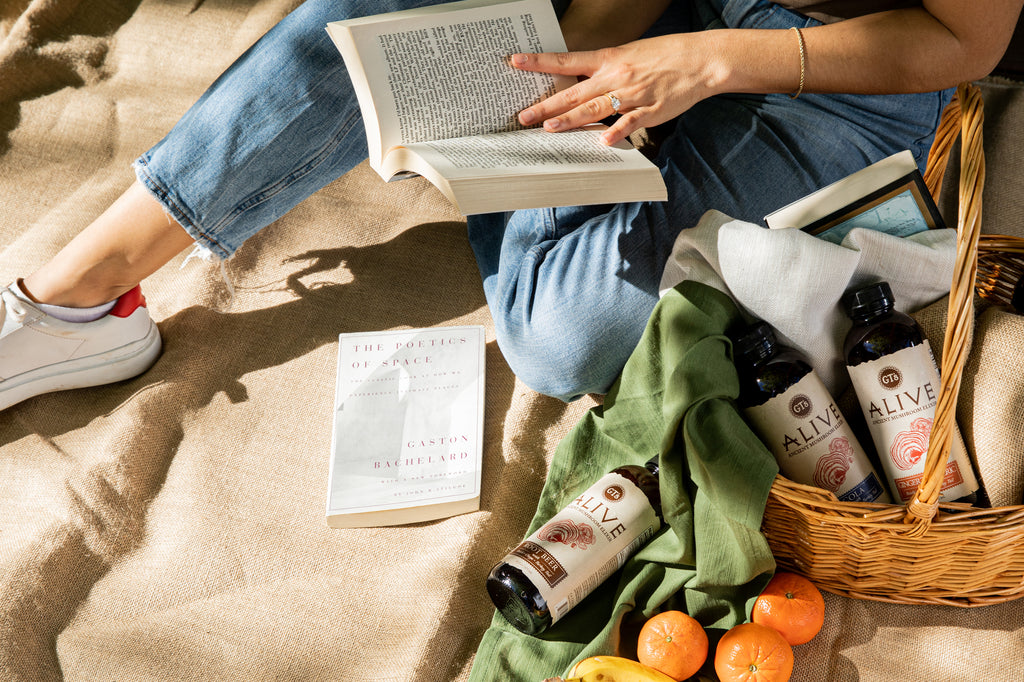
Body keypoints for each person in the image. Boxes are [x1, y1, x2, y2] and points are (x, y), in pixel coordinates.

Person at [2, 0, 1021, 412]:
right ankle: (70, 301)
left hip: (848, 71)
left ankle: (492, 161)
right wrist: (580, 57)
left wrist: (705, 64)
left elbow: (960, 40)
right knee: (368, 12)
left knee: (568, 339)